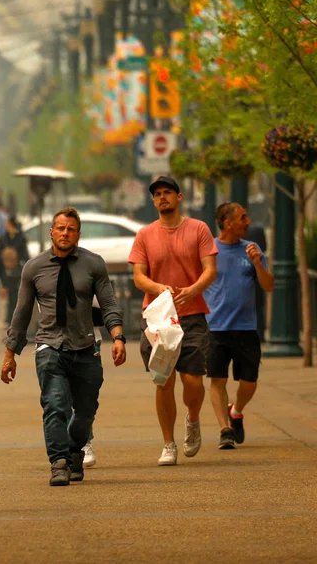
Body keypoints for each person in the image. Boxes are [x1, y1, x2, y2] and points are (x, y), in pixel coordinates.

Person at [1, 207, 126, 486]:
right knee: (55, 405)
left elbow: (108, 305)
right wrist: (10, 355)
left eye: (70, 229)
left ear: (78, 235)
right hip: (49, 346)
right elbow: (21, 314)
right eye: (60, 228)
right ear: (51, 232)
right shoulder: (33, 268)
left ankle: (74, 449)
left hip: (86, 346)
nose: (65, 233)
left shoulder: (94, 264)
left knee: (85, 411)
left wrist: (118, 337)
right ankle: (58, 462)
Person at [129, 175, 218, 466]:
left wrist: (193, 289)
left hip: (191, 315)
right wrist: (158, 289)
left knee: (193, 379)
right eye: (157, 194)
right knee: (163, 381)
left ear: (179, 197)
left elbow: (210, 269)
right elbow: (139, 276)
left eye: (168, 192)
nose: (162, 197)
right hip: (158, 320)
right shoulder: (145, 234)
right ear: (153, 201)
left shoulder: (198, 229)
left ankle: (192, 419)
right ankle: (168, 444)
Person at [205, 202, 274, 449]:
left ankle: (237, 410)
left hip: (246, 328)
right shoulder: (209, 251)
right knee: (217, 379)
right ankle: (225, 429)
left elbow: (268, 285)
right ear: (228, 224)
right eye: (243, 217)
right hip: (216, 327)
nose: (248, 222)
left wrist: (257, 263)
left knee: (249, 381)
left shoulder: (252, 250)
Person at [0, 217, 30, 324]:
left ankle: (18, 317)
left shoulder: (21, 238)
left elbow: (25, 254)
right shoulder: (3, 238)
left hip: (18, 270)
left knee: (18, 295)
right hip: (6, 271)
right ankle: (10, 318)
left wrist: (18, 261)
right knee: (10, 295)